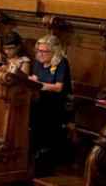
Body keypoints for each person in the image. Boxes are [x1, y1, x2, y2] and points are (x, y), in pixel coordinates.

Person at [28, 35, 73, 176]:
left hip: (56, 105)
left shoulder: (61, 63)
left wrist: (39, 85)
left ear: (54, 52)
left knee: (42, 121)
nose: (40, 54)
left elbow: (59, 87)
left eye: (44, 51)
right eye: (38, 50)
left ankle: (44, 162)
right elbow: (35, 78)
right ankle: (32, 158)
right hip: (40, 101)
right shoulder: (38, 62)